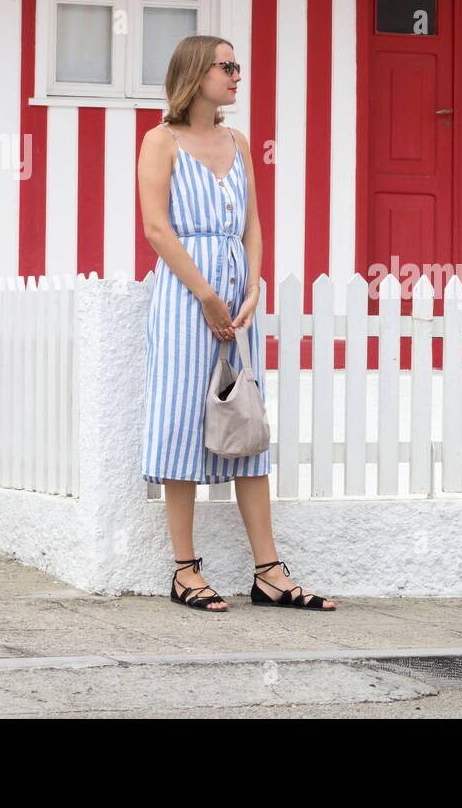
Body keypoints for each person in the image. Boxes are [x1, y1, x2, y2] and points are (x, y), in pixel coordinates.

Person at [136, 34, 336, 613]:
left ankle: (268, 571)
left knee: (246, 424)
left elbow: (252, 225)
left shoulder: (238, 142)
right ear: (197, 73)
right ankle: (183, 569)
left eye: (238, 66)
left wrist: (251, 289)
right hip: (184, 302)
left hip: (235, 305)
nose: (236, 75)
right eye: (226, 66)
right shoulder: (160, 142)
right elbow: (156, 228)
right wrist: (205, 295)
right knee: (180, 422)